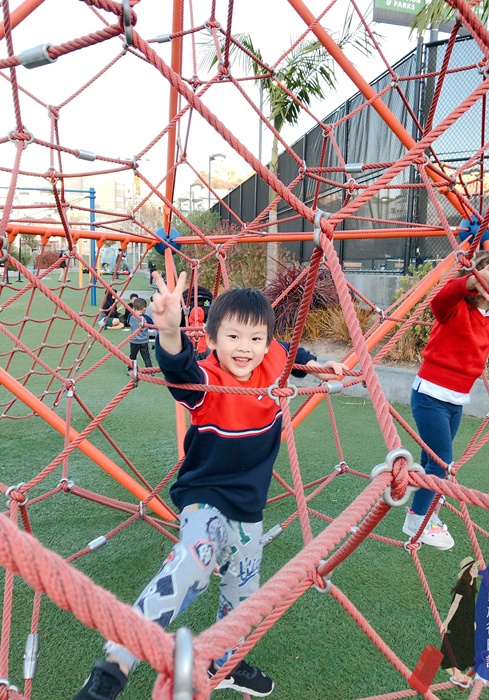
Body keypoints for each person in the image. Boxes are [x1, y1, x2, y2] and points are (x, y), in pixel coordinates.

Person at [74, 271, 345, 700]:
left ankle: (225, 660)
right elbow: (179, 367)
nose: (245, 348)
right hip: (205, 495)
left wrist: (318, 366)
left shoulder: (273, 357)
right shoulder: (208, 380)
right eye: (233, 337)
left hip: (248, 503)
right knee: (194, 564)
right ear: (213, 340)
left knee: (244, 589)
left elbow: (290, 353)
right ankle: (116, 663)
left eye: (255, 339)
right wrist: (169, 331)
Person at [402, 252, 489, 549]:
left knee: (432, 461)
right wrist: (471, 282)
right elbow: (441, 299)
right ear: (484, 286)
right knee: (442, 464)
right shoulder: (454, 310)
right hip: (430, 396)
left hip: (455, 401)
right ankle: (417, 520)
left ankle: (427, 502)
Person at [440, 557, 480, 688]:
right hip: (458, 620)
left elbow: (470, 605)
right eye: (474, 568)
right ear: (468, 570)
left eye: (476, 567)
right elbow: (455, 603)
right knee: (456, 644)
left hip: (467, 620)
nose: (477, 570)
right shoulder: (463, 585)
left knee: (464, 644)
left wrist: (473, 621)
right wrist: (446, 622)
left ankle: (460, 672)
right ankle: (456, 674)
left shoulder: (471, 584)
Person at [127, 297, 153, 373]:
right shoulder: (146, 318)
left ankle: (130, 370)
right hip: (144, 341)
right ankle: (150, 371)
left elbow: (128, 323)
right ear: (144, 309)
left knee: (132, 356)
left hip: (134, 341)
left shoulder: (130, 316)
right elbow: (151, 325)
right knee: (146, 357)